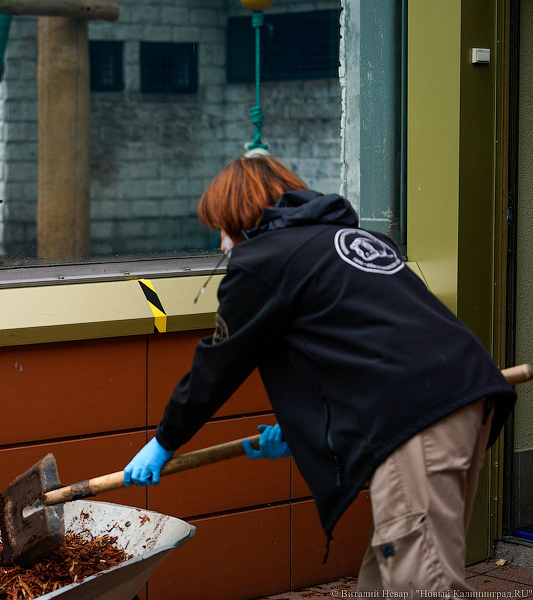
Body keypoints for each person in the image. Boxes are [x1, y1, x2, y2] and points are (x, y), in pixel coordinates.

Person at [123, 152, 516, 593]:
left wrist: (165, 441)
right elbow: (364, 349)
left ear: (237, 216)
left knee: (423, 583)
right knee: (386, 580)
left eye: (220, 228)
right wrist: (307, 430)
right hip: (466, 395)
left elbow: (218, 366)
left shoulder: (265, 260)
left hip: (419, 416)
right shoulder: (351, 240)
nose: (220, 245)